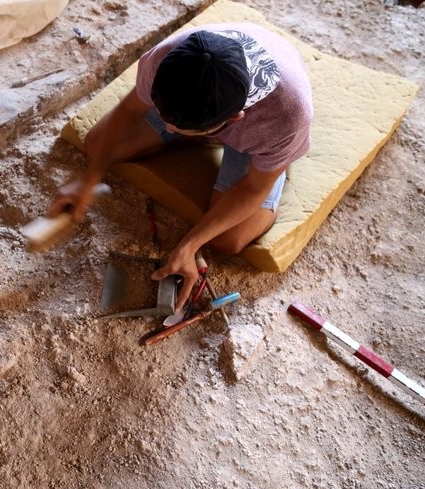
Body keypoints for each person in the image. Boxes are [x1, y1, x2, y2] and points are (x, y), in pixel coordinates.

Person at [51, 23, 313, 313]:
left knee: (228, 239)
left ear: (233, 120)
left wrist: (189, 245)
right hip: (208, 99)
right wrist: (89, 178)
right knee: (98, 144)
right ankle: (189, 137)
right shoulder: (168, 57)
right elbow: (128, 110)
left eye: (176, 127)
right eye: (165, 118)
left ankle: (273, 163)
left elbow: (253, 189)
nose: (166, 126)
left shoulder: (285, 118)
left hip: (257, 137)